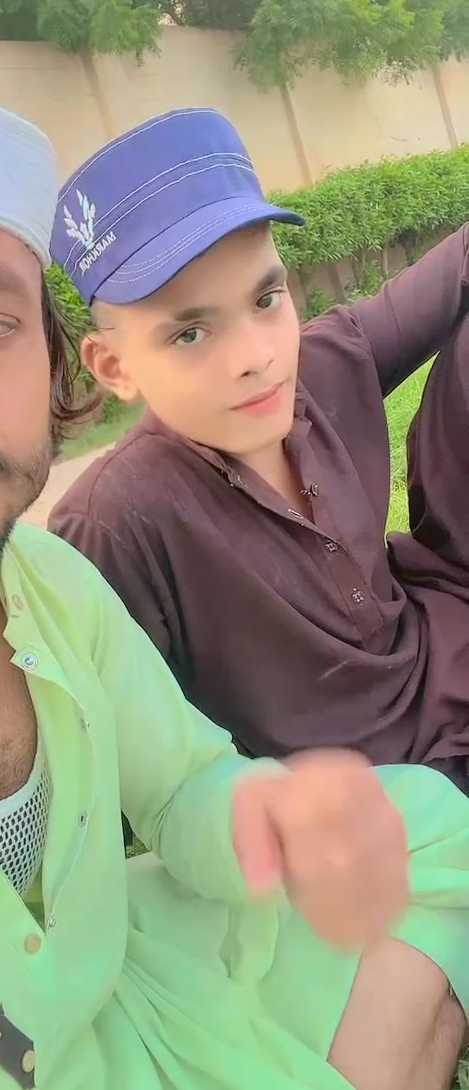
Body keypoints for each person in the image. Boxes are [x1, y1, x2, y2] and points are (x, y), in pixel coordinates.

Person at [0, 88, 467, 1090]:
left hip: (126, 1007)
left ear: (45, 367)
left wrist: (275, 815)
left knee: (426, 820)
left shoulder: (53, 583)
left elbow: (183, 788)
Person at [48, 107, 469, 791]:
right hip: (362, 803)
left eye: (267, 298)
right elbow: (106, 760)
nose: (256, 356)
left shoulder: (327, 364)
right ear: (114, 367)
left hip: (449, 660)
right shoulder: (115, 521)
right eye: (190, 333)